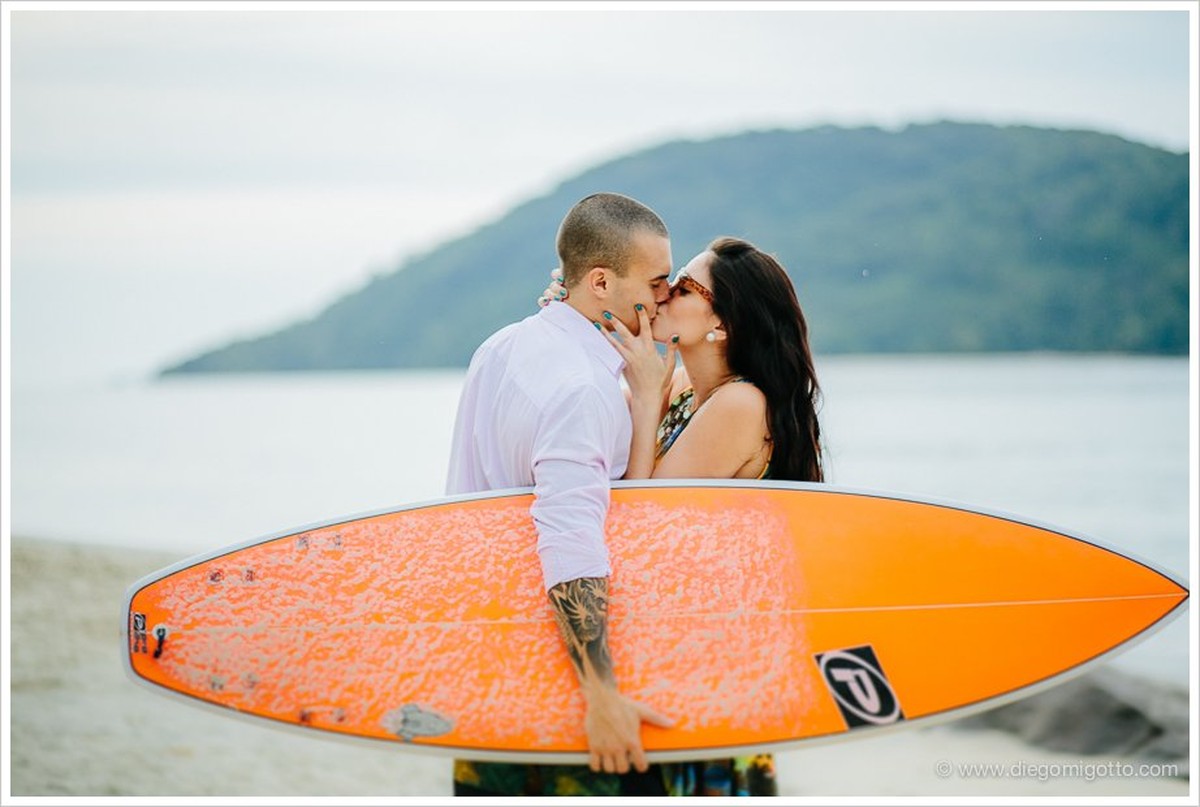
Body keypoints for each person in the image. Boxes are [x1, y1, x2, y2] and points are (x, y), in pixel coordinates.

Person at [540, 235, 825, 796]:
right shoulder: (686, 387)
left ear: (724, 322)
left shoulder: (742, 405)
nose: (664, 293)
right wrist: (576, 310)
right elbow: (596, 447)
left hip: (708, 667)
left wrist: (646, 398)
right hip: (678, 645)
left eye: (686, 286)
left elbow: (639, 519)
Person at [445, 192, 677, 797]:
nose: (664, 298)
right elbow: (570, 536)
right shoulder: (583, 390)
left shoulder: (501, 346)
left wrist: (646, 396)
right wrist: (601, 695)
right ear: (601, 281)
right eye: (656, 282)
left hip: (486, 660)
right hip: (559, 682)